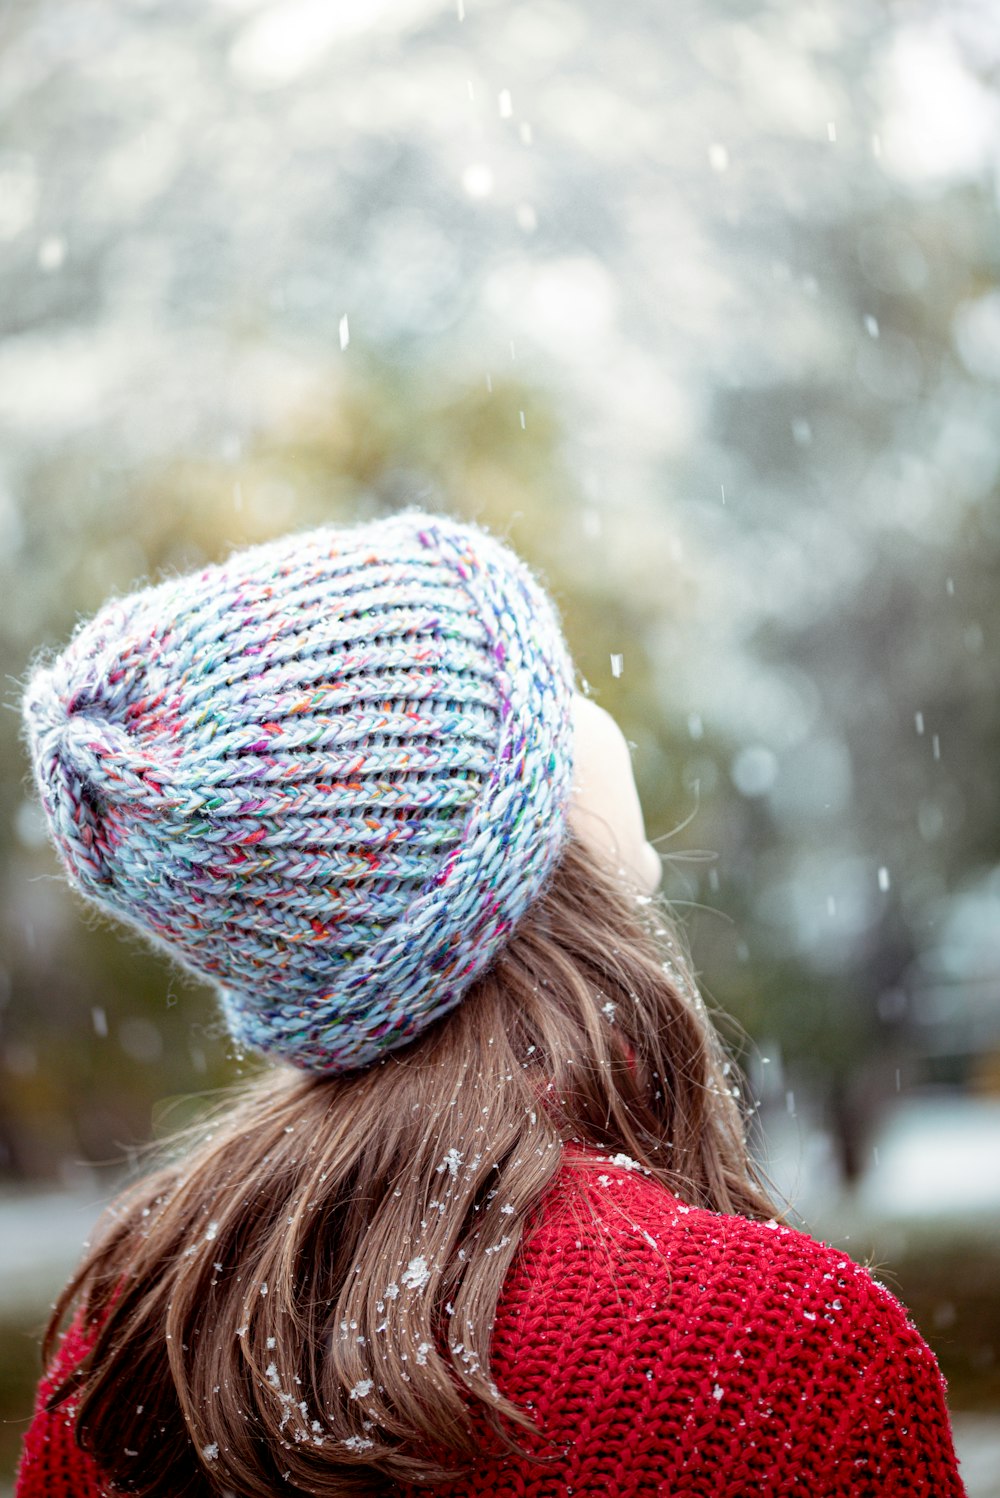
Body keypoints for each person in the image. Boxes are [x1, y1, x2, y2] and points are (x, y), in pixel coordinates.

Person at [16, 511, 965, 1497]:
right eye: (553, 689)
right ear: (517, 830)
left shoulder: (131, 1345)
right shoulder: (786, 1354)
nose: (591, 719)